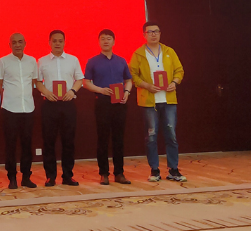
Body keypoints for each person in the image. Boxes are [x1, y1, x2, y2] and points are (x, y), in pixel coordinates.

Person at [129, 21, 186, 182]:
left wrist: (174, 82)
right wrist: (146, 85)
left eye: (156, 31)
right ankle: (154, 170)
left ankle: (173, 169)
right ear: (144, 35)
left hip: (168, 99)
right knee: (151, 136)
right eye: (150, 32)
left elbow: (179, 70)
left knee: (171, 135)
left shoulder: (169, 51)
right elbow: (132, 75)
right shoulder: (138, 54)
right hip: (149, 101)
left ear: (160, 33)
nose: (153, 34)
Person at [83, 29, 133, 185]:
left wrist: (127, 92)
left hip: (119, 103)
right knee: (103, 139)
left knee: (119, 139)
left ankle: (119, 173)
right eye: (103, 38)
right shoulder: (92, 61)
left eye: (109, 38)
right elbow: (86, 83)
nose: (106, 41)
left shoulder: (121, 61)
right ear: (99, 42)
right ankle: (103, 173)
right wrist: (101, 90)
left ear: (114, 41)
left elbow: (128, 80)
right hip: (102, 102)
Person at [37, 30, 84, 186]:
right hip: (49, 104)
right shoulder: (41, 61)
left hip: (68, 104)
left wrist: (72, 91)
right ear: (49, 42)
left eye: (60, 41)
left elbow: (79, 79)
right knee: (48, 141)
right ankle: (50, 176)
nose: (57, 43)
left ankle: (68, 175)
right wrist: (46, 92)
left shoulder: (73, 60)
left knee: (68, 141)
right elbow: (37, 82)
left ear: (64, 42)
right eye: (54, 41)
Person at [0, 33, 38, 189]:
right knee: (10, 145)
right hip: (10, 109)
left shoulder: (32, 61)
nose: (17, 45)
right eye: (14, 42)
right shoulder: (3, 62)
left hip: (28, 108)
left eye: (20, 42)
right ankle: (12, 178)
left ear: (25, 43)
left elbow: (34, 83)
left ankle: (26, 177)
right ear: (10, 45)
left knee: (27, 145)